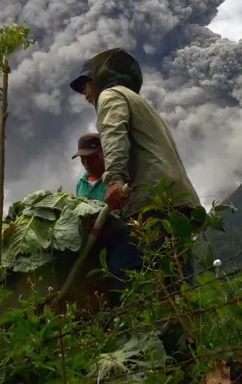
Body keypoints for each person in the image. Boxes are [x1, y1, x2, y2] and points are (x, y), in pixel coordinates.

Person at [69, 47, 201, 288]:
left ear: (99, 79)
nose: (83, 93)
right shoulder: (141, 103)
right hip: (177, 201)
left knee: (120, 277)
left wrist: (114, 180)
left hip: (150, 202)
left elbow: (113, 133)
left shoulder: (110, 96)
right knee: (178, 283)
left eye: (84, 85)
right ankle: (182, 324)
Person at [72, 132, 108, 202]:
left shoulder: (114, 180)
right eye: (82, 158)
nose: (86, 163)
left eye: (91, 158)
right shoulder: (81, 183)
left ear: (103, 154)